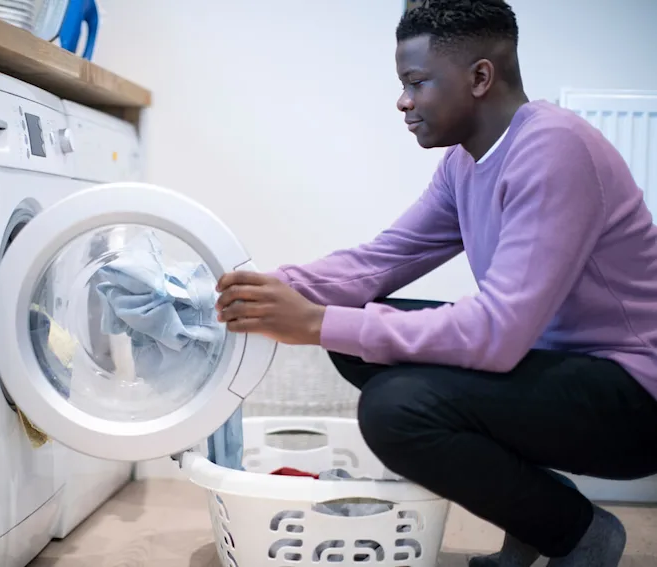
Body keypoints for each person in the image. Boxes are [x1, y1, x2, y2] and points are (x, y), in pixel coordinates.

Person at [214, 1, 657, 566]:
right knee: (361, 347)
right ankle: (541, 515)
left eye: (416, 82)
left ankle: (578, 532)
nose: (403, 100)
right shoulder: (464, 163)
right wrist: (253, 291)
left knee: (395, 408)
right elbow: (378, 264)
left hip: (634, 400)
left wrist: (316, 323)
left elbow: (497, 333)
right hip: (561, 371)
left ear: (479, 77)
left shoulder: (556, 148)